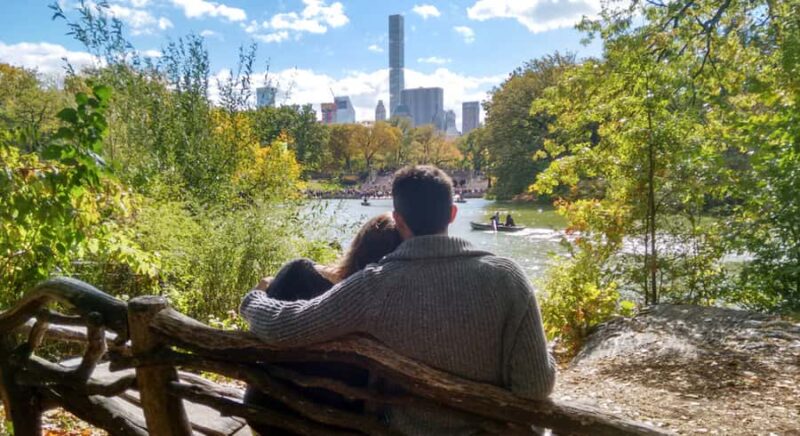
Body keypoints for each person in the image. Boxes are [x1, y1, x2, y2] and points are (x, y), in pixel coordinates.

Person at [240, 165, 556, 434]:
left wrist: (254, 300)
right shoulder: (507, 277)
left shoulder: (375, 285)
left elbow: (285, 326)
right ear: (452, 214)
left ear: (398, 219)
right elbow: (535, 386)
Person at [243, 213, 402, 435]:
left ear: (357, 244)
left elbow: (258, 333)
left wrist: (257, 294)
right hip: (333, 425)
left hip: (265, 411)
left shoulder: (297, 272)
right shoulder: (382, 308)